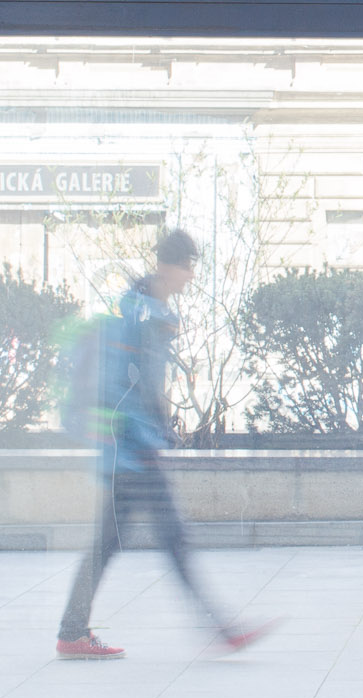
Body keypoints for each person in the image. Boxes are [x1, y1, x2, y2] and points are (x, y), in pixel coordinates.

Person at [57, 228, 273, 660]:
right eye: (187, 266)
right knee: (172, 539)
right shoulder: (140, 316)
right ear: (167, 266)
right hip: (132, 451)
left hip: (130, 451)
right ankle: (221, 628)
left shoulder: (149, 311)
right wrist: (145, 434)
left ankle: (72, 631)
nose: (190, 275)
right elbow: (123, 386)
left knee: (109, 544)